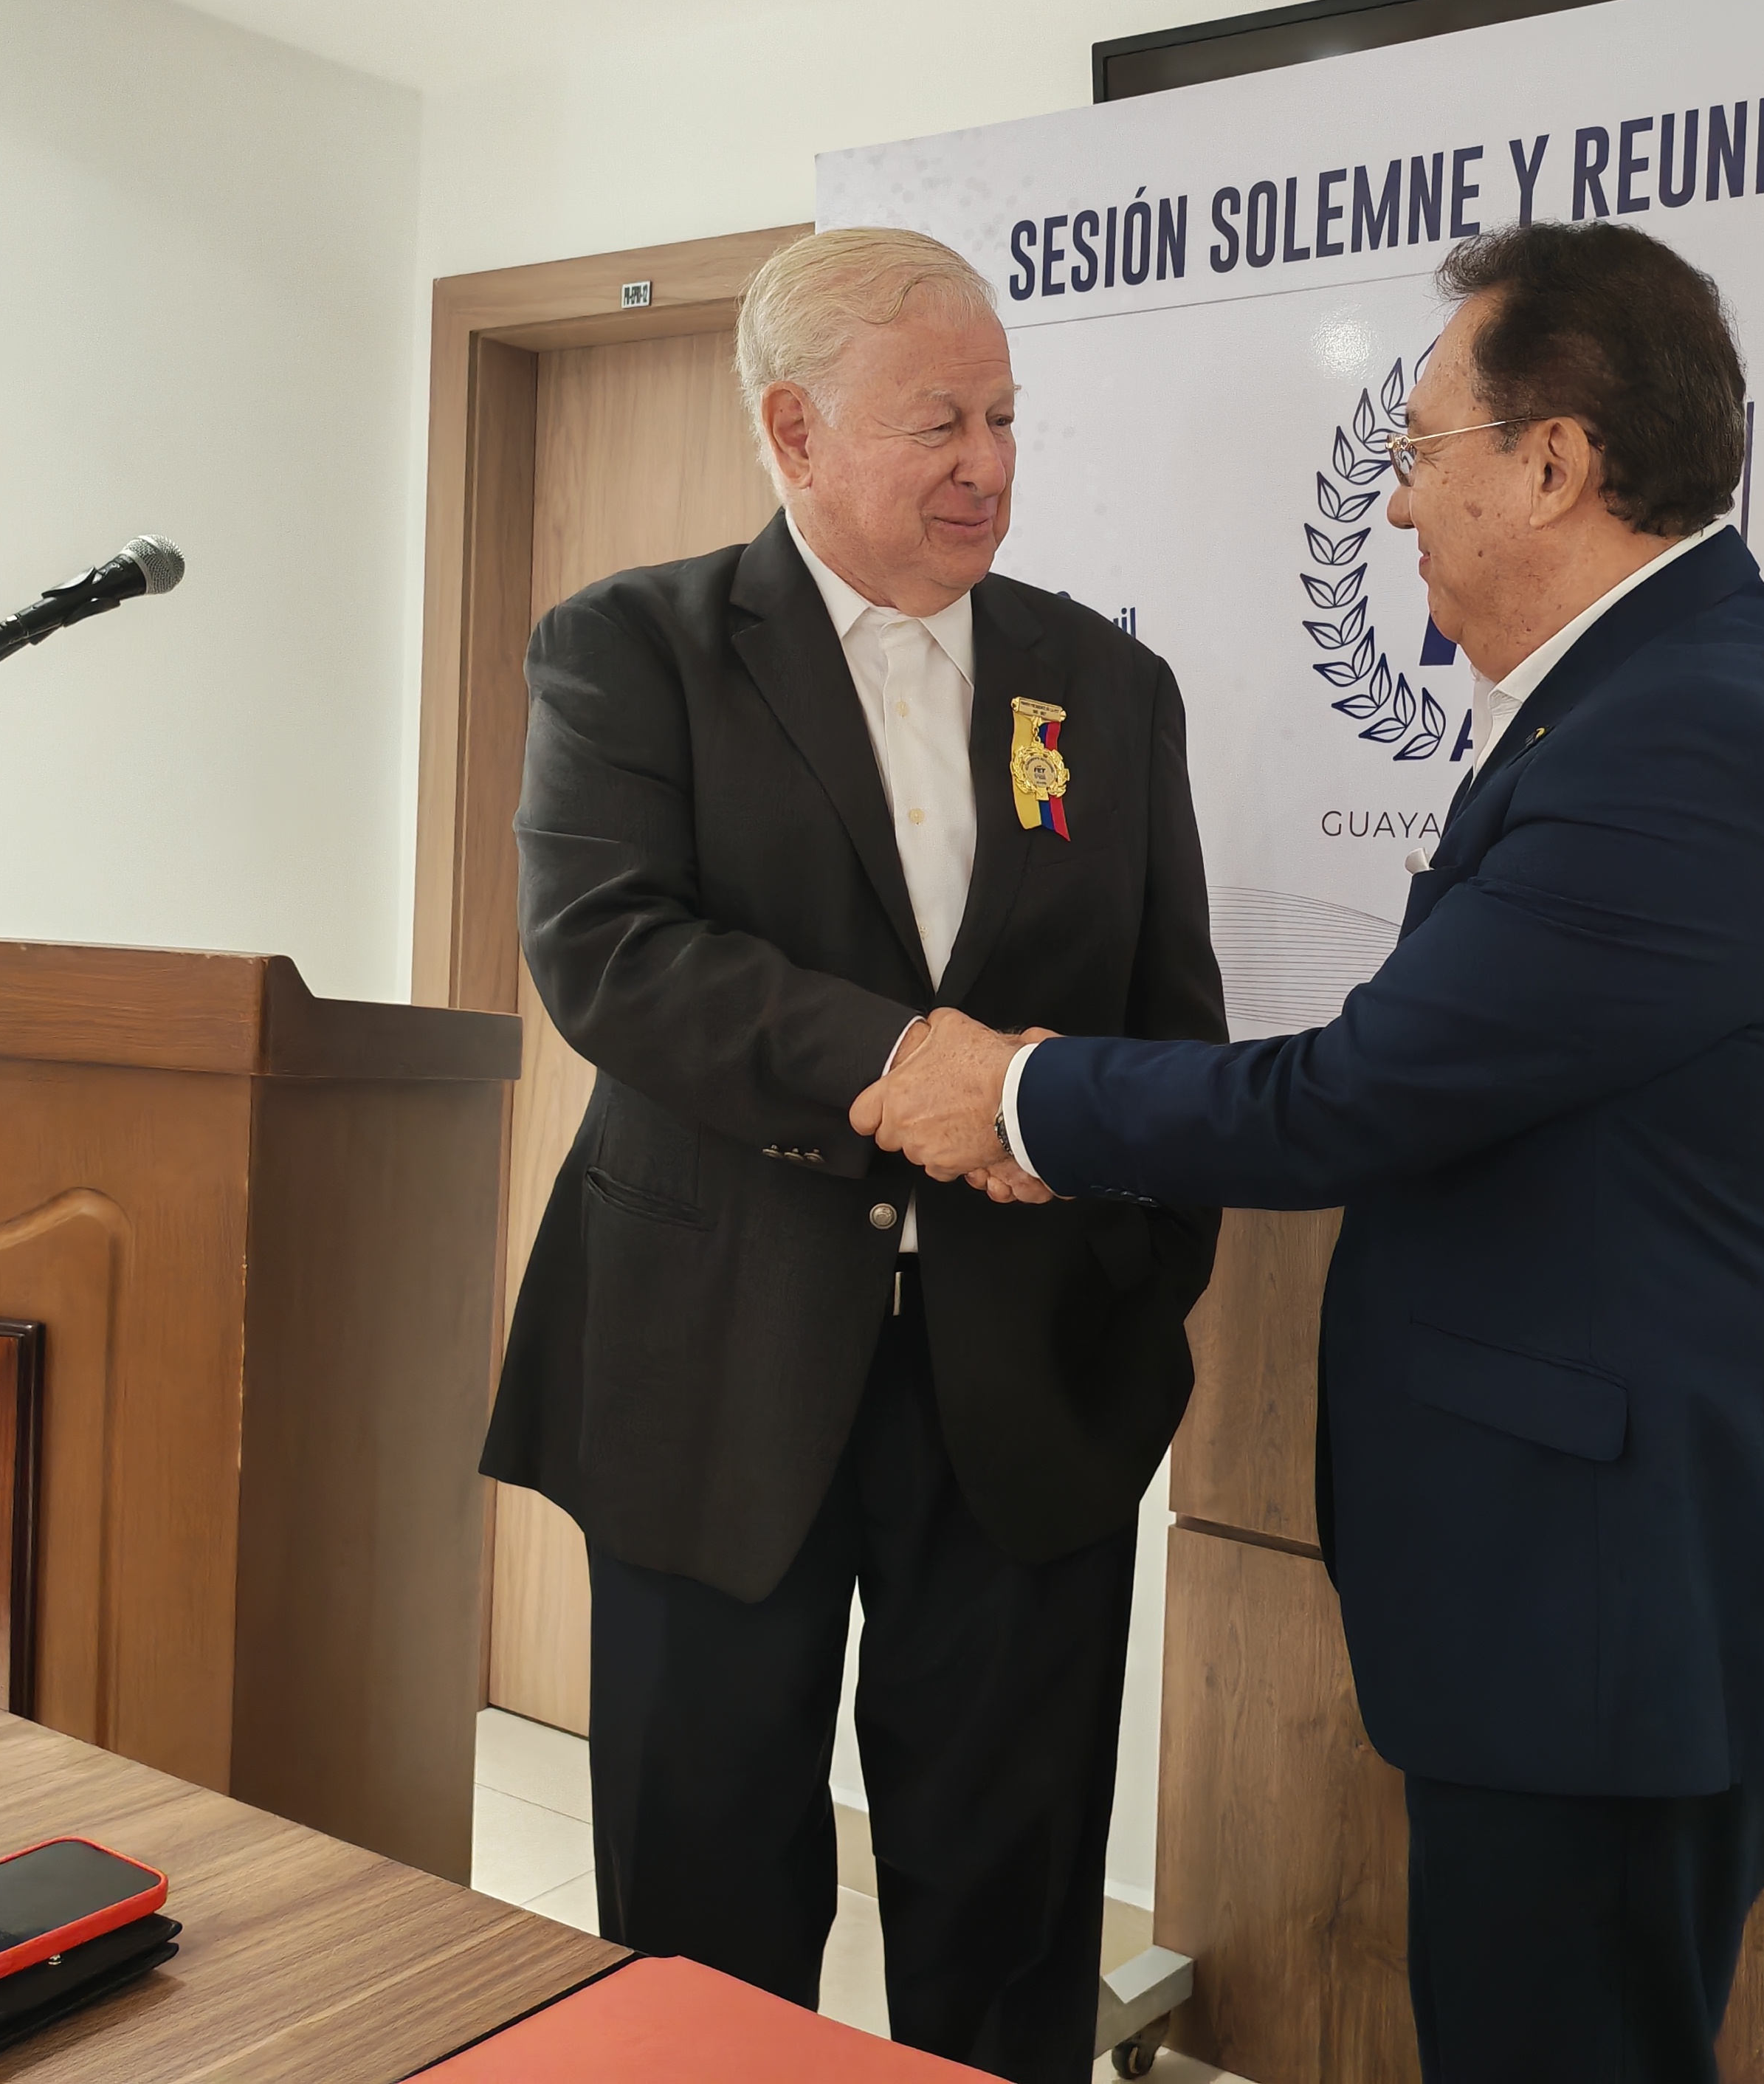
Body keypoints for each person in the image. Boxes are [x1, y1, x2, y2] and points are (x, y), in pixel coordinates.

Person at [855, 219, 1764, 2083]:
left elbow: (1356, 1097)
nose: (1398, 506)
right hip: (1585, 1589)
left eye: (1420, 452)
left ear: (1552, 463)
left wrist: (1010, 1094)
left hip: (1608, 1608)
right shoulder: (1645, 695)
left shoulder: (1680, 735)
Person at [479, 227, 1227, 2084]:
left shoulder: (1104, 687)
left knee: (1009, 1894)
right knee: (706, 1891)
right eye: (936, 422)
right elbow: (610, 954)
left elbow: (1168, 1019)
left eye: (1003, 417)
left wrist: (1136, 1294)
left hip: (1026, 1379)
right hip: (712, 1361)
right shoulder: (630, 650)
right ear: (794, 430)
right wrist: (905, 1067)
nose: (986, 462)